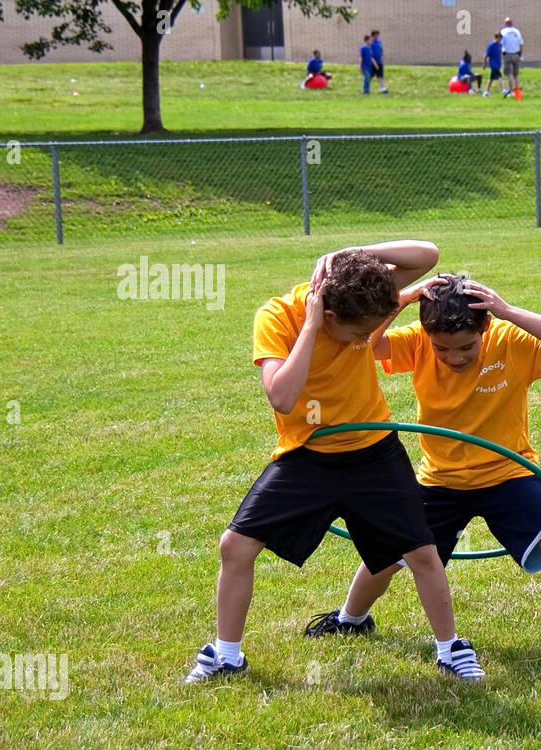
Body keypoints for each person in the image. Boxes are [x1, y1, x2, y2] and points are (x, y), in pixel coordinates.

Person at [185, 241, 489, 684]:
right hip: (308, 455)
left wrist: (348, 253)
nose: (367, 340)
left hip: (374, 451)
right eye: (358, 334)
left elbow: (428, 254)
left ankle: (451, 649)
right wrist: (310, 327)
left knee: (423, 553)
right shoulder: (277, 317)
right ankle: (225, 655)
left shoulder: (360, 298)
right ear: (329, 316)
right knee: (235, 546)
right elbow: (283, 396)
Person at [321, 273, 541, 678]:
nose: (454, 356)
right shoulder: (418, 342)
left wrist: (507, 310)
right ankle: (350, 619)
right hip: (440, 479)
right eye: (442, 348)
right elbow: (367, 345)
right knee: (388, 550)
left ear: (486, 327)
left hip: (508, 472)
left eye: (466, 346)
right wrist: (403, 301)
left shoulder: (508, 340)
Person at [500, 17, 524, 99]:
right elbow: (521, 44)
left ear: (506, 24)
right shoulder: (517, 31)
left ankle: (511, 91)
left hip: (507, 54)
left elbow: (500, 43)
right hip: (516, 54)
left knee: (509, 74)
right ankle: (517, 92)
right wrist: (520, 55)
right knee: (516, 75)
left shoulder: (503, 32)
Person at [483, 32, 504, 98]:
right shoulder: (491, 45)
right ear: (496, 38)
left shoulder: (499, 45)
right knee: (499, 77)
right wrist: (484, 64)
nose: (500, 40)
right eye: (499, 39)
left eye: (501, 39)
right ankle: (504, 90)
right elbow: (485, 55)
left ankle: (486, 92)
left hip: (498, 64)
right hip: (493, 64)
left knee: (491, 79)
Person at [369, 30, 389, 94]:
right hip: (373, 63)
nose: (377, 36)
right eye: (376, 35)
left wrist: (382, 54)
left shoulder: (379, 42)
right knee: (369, 76)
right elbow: (370, 55)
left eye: (378, 35)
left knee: (380, 76)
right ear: (372, 36)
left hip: (379, 62)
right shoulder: (371, 44)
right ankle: (365, 88)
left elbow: (381, 49)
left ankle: (383, 89)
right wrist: (374, 63)